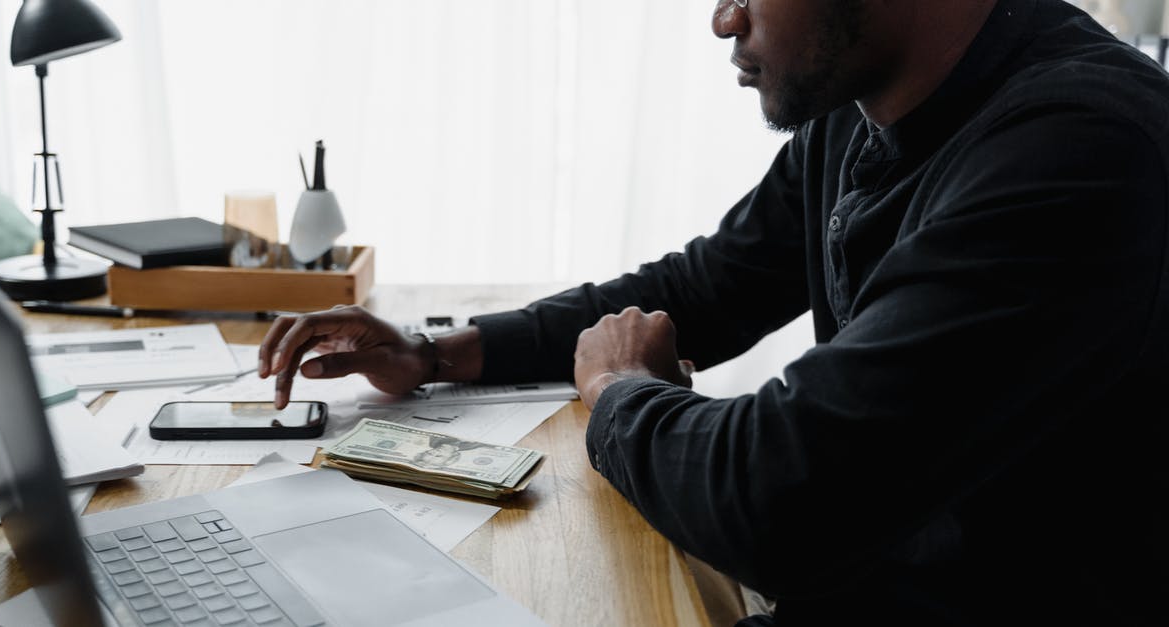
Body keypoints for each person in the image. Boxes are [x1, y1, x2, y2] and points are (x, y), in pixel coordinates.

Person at [260, 0, 1169, 624]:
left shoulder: (1079, 147)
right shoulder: (860, 105)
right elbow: (709, 284)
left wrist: (616, 388)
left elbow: (779, 499)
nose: (722, 19)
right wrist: (437, 352)